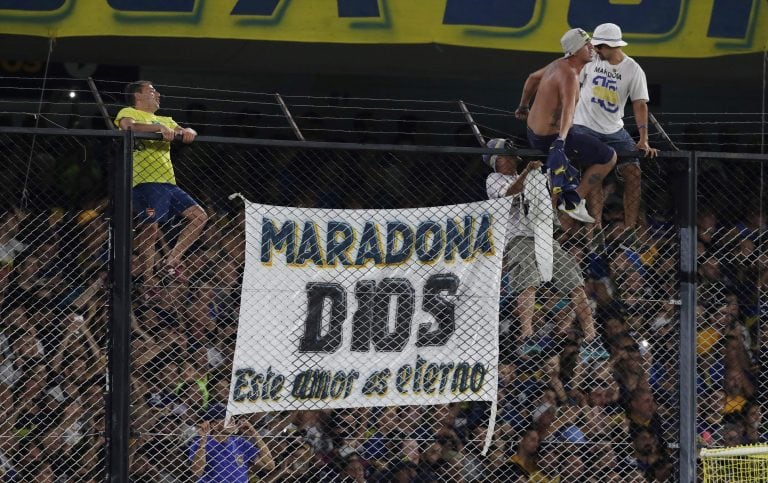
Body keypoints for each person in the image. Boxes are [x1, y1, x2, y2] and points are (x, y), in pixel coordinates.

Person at [485, 138, 597, 352]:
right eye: (506, 157)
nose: (512, 159)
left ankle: (590, 330)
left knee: (572, 278)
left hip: (544, 235)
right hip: (518, 237)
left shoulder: (531, 176)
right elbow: (507, 195)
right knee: (527, 279)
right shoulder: (494, 178)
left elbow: (553, 191)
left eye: (512, 156)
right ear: (496, 160)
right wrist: (528, 174)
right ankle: (527, 330)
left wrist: (551, 172)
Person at [515, 28, 617, 225]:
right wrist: (561, 140)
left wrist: (523, 106)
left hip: (533, 132)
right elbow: (569, 111)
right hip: (549, 137)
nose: (592, 47)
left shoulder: (556, 64)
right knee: (609, 157)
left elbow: (532, 78)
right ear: (575, 51)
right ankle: (573, 201)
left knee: (581, 142)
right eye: (586, 45)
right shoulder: (570, 75)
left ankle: (553, 204)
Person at [114, 80, 208, 286]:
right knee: (150, 227)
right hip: (145, 180)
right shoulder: (129, 111)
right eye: (152, 91)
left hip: (168, 181)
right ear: (138, 96)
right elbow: (127, 126)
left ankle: (172, 260)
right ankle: (148, 278)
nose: (158, 94)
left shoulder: (165, 118)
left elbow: (184, 130)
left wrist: (190, 131)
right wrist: (156, 128)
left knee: (199, 216)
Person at [573, 23, 657, 230]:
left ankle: (630, 228)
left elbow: (640, 104)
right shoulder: (590, 60)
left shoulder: (633, 69)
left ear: (611, 45)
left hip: (614, 130)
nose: (596, 50)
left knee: (633, 173)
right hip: (585, 125)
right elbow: (573, 86)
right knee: (596, 169)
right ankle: (595, 225)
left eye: (599, 46)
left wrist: (643, 139)